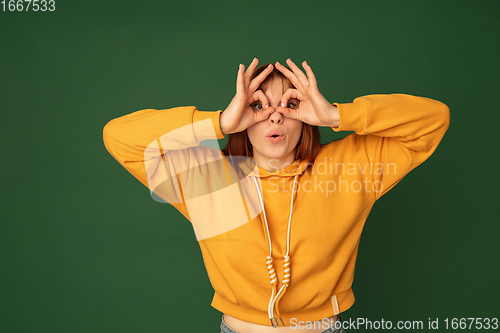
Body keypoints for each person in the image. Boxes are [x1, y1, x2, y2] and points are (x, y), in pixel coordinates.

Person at [102, 58, 450, 332]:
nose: (275, 117)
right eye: (258, 106)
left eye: (290, 104)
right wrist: (220, 122)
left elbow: (434, 120)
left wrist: (334, 115)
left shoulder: (350, 166)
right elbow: (119, 137)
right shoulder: (206, 176)